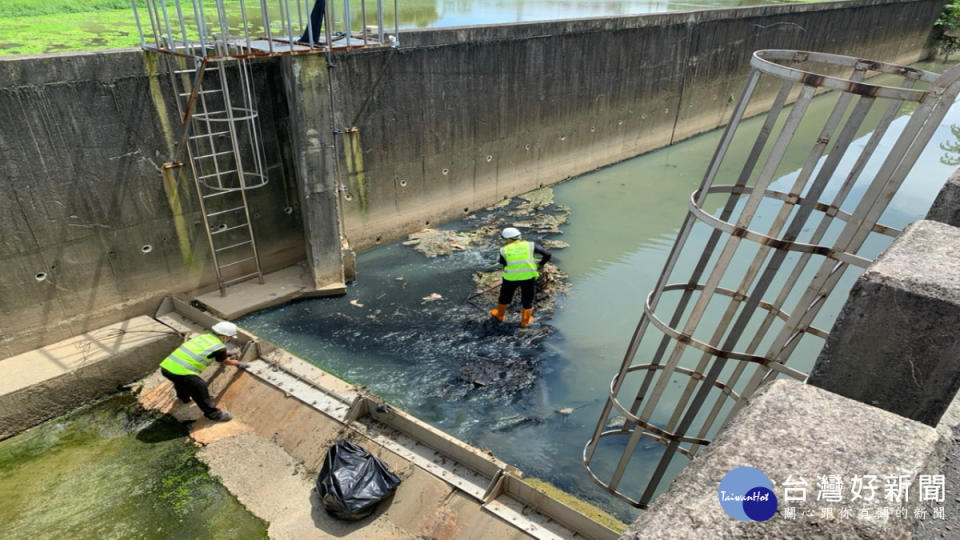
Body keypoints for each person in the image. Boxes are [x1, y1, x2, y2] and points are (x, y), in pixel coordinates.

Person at [159, 321, 248, 422]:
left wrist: (226, 352)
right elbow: (222, 361)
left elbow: (204, 350)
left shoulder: (202, 337)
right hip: (181, 372)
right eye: (229, 337)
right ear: (224, 336)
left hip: (166, 368)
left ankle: (183, 398)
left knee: (180, 382)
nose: (228, 339)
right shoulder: (219, 347)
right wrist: (236, 363)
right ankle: (214, 414)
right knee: (199, 387)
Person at [489, 227, 551, 328]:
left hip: (510, 278)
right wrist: (540, 264)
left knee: (504, 297)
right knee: (527, 299)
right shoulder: (531, 245)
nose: (505, 241)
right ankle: (525, 322)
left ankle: (499, 316)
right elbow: (547, 254)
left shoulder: (503, 250)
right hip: (528, 277)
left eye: (505, 239)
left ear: (508, 239)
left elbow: (503, 263)